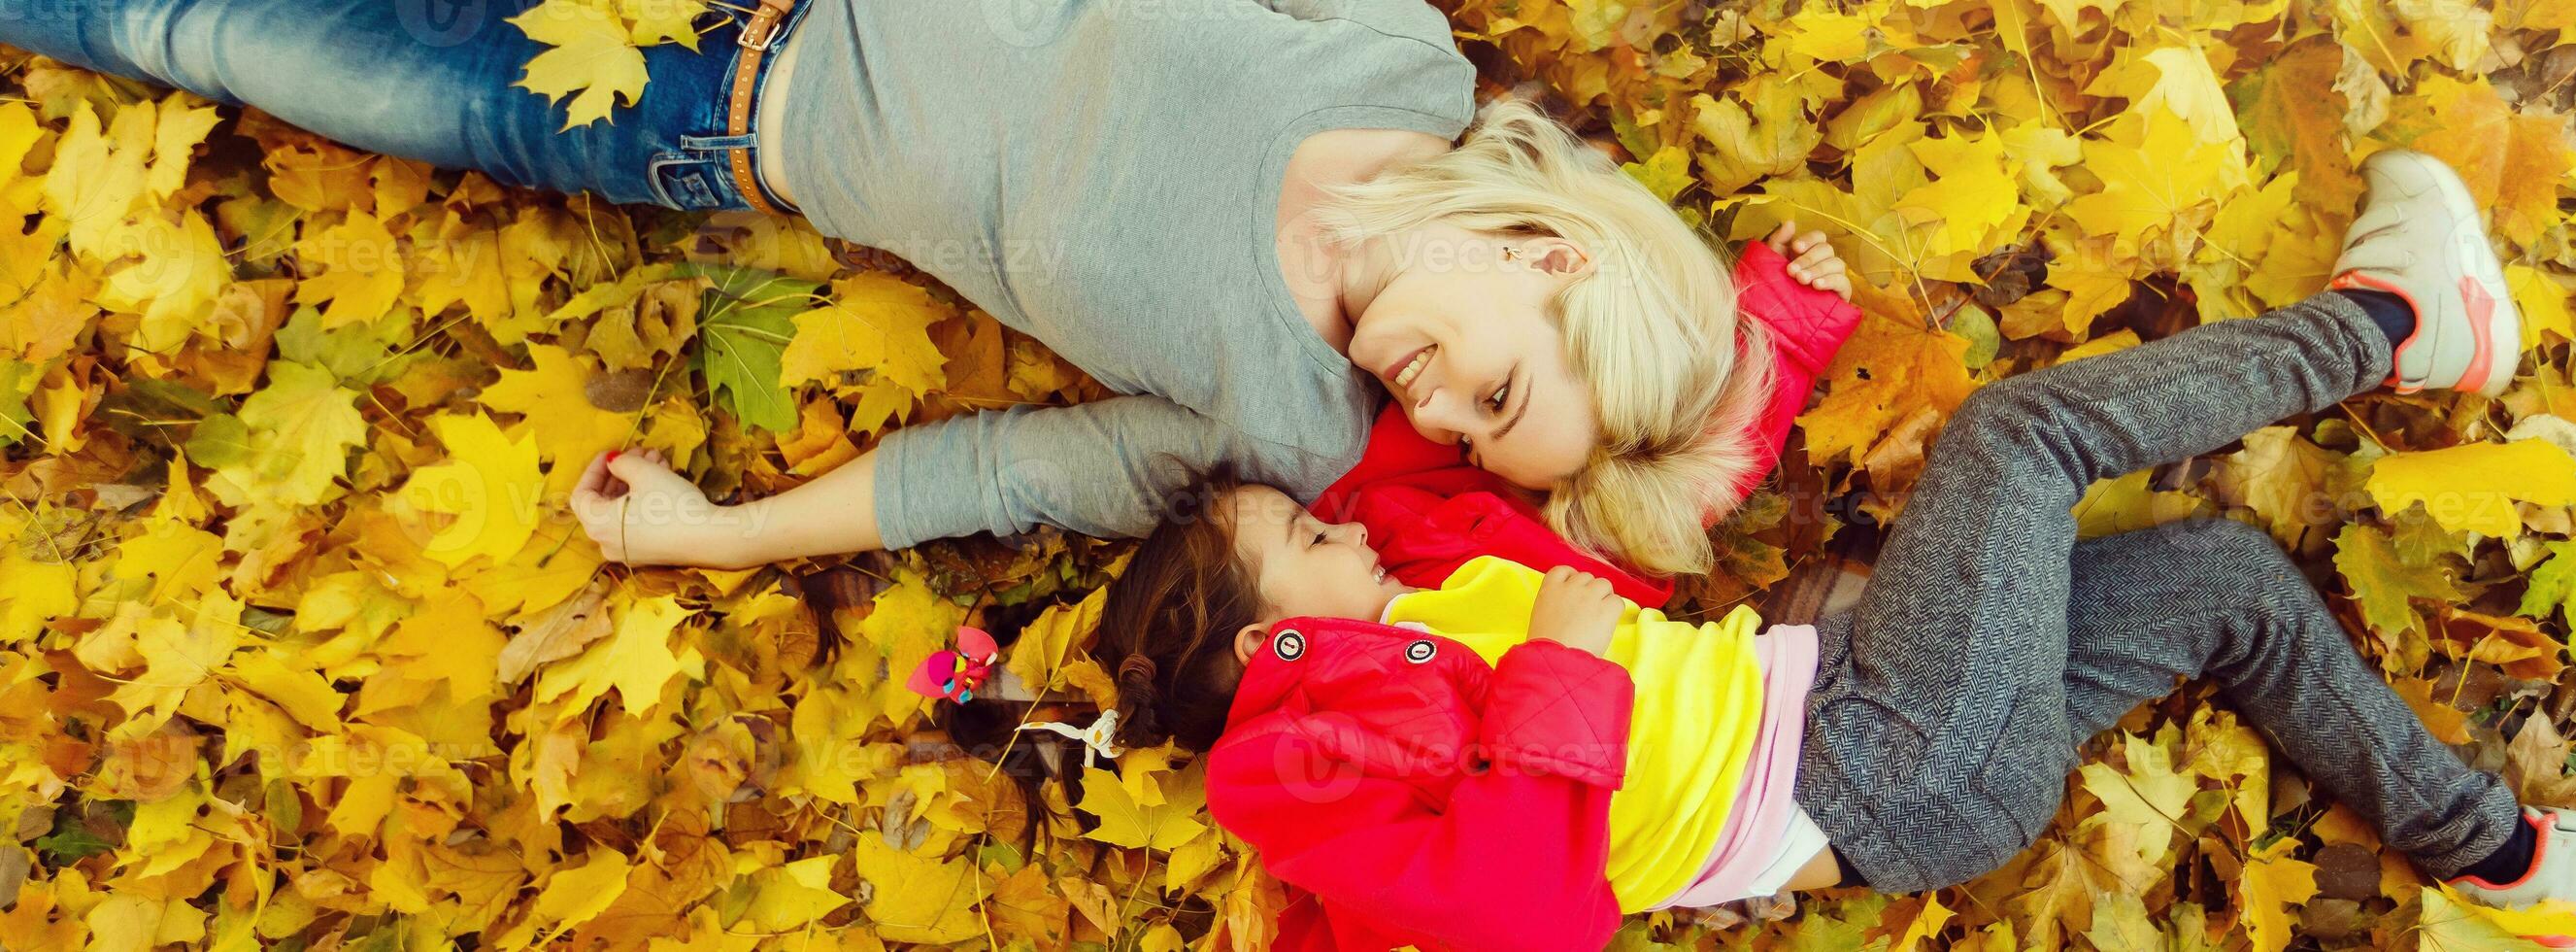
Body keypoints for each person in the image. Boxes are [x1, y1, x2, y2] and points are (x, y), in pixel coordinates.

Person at [1055, 152, 2576, 951]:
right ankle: (2394, 324)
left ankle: (2507, 861)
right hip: (1885, 772)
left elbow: (1660, 508)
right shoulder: (1307, 764)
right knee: (2020, 436)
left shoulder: (1424, 602)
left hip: (1870, 708)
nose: (1334, 519)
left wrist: (1778, 332)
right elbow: (1525, 909)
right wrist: (1559, 676)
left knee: (2227, 581)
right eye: (1297, 535)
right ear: (1253, 632)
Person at [0, 0, 1822, 577]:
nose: (1430, 415)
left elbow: (1006, 471)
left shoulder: (1281, 418)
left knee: (225, 27)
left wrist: (716, 542)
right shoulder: (1390, 60)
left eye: (1467, 438)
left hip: (704, 106)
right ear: (1548, 253)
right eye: (1494, 391)